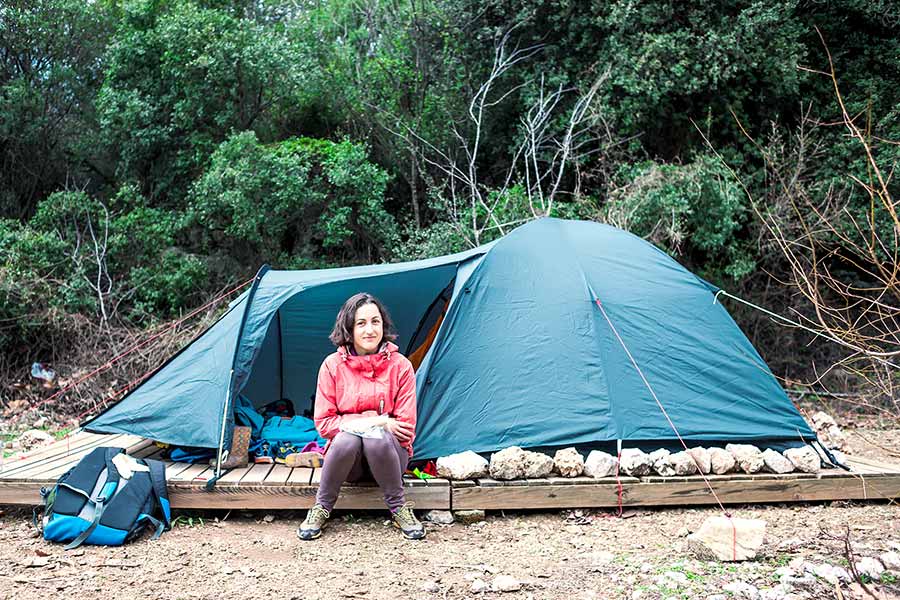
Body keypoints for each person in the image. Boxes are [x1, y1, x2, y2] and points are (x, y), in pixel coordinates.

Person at [297, 292, 426, 541]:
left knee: (375, 438)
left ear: (383, 325)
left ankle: (399, 508)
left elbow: (406, 427)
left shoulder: (400, 366)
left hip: (390, 457)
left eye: (375, 322)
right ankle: (322, 507)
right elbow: (324, 424)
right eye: (361, 323)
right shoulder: (332, 366)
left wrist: (362, 425)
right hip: (350, 465)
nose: (370, 330)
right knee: (347, 440)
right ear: (349, 328)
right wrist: (379, 420)